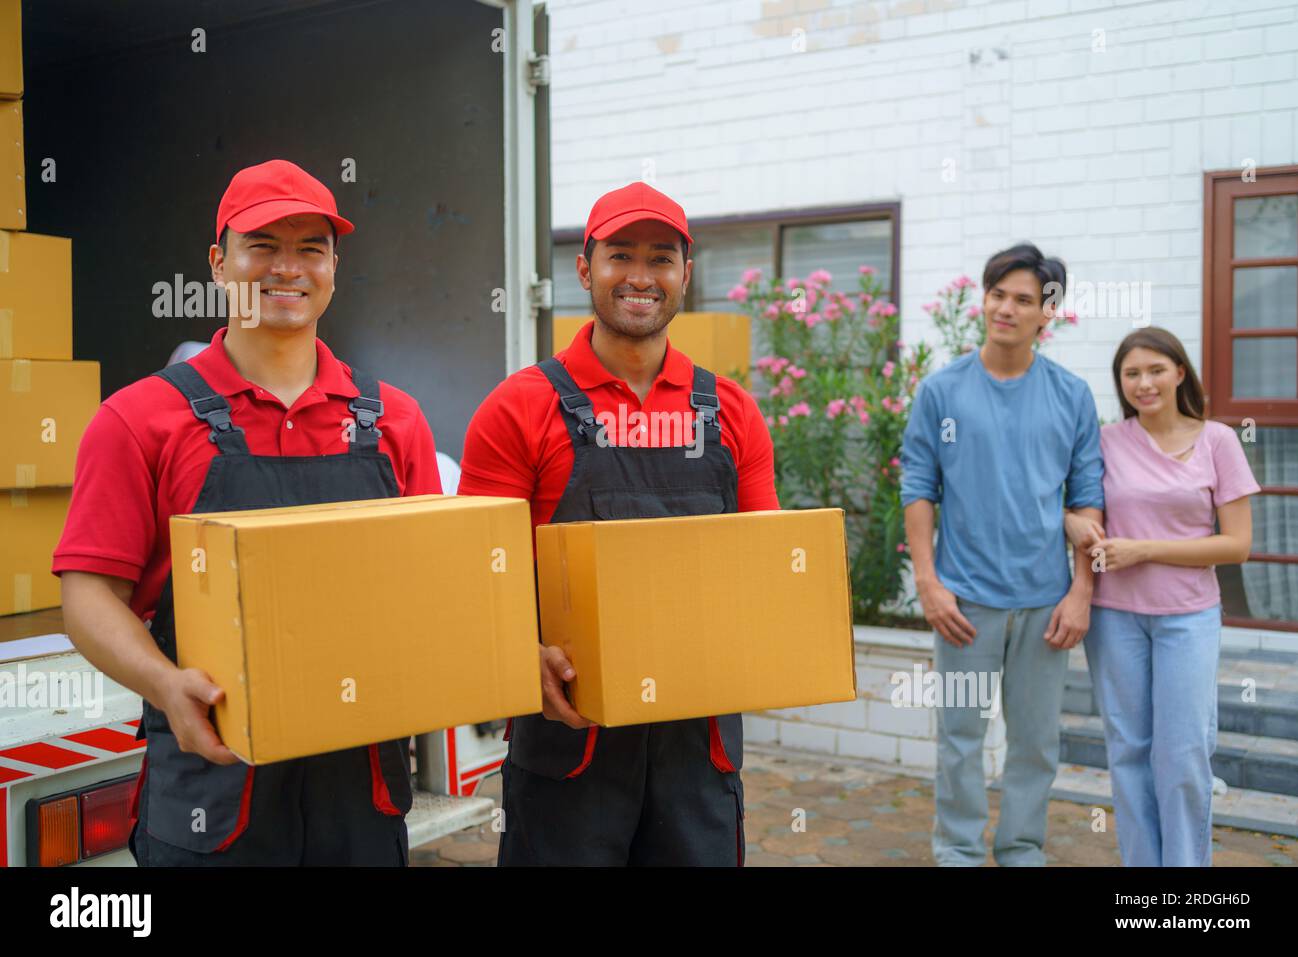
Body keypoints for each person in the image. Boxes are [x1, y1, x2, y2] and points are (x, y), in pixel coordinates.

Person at [54, 159, 443, 866]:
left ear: (333, 265)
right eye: (262, 245)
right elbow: (87, 594)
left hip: (359, 789)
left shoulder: (393, 421)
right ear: (218, 262)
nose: (287, 268)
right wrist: (165, 685)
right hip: (212, 778)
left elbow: (431, 588)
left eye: (310, 247)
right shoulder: (141, 419)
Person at [457, 182, 779, 865]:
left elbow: (764, 570)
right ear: (585, 268)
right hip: (568, 742)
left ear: (686, 275)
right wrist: (521, 652)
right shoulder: (518, 409)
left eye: (661, 258)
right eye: (620, 255)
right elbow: (475, 579)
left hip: (699, 747)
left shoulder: (733, 413)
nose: (641, 276)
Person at [901, 242, 1105, 866]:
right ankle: (958, 852)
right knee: (960, 741)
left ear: (1048, 314)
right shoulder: (942, 392)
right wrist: (929, 585)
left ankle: (1020, 850)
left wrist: (1081, 593)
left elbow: (1089, 497)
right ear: (982, 300)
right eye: (998, 295)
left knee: (1036, 744)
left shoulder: (1071, 396)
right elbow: (918, 488)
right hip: (965, 602)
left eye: (1024, 300)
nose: (1007, 309)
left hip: (1046, 605)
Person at [1069, 327, 1257, 867]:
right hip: (1114, 618)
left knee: (1182, 755)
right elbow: (1075, 509)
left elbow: (1238, 544)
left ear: (1179, 372)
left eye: (1155, 369)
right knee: (1128, 751)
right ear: (1120, 382)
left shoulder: (1217, 440)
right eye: (1132, 373)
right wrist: (1070, 524)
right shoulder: (1105, 441)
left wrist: (1144, 550)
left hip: (1187, 618)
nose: (1144, 382)